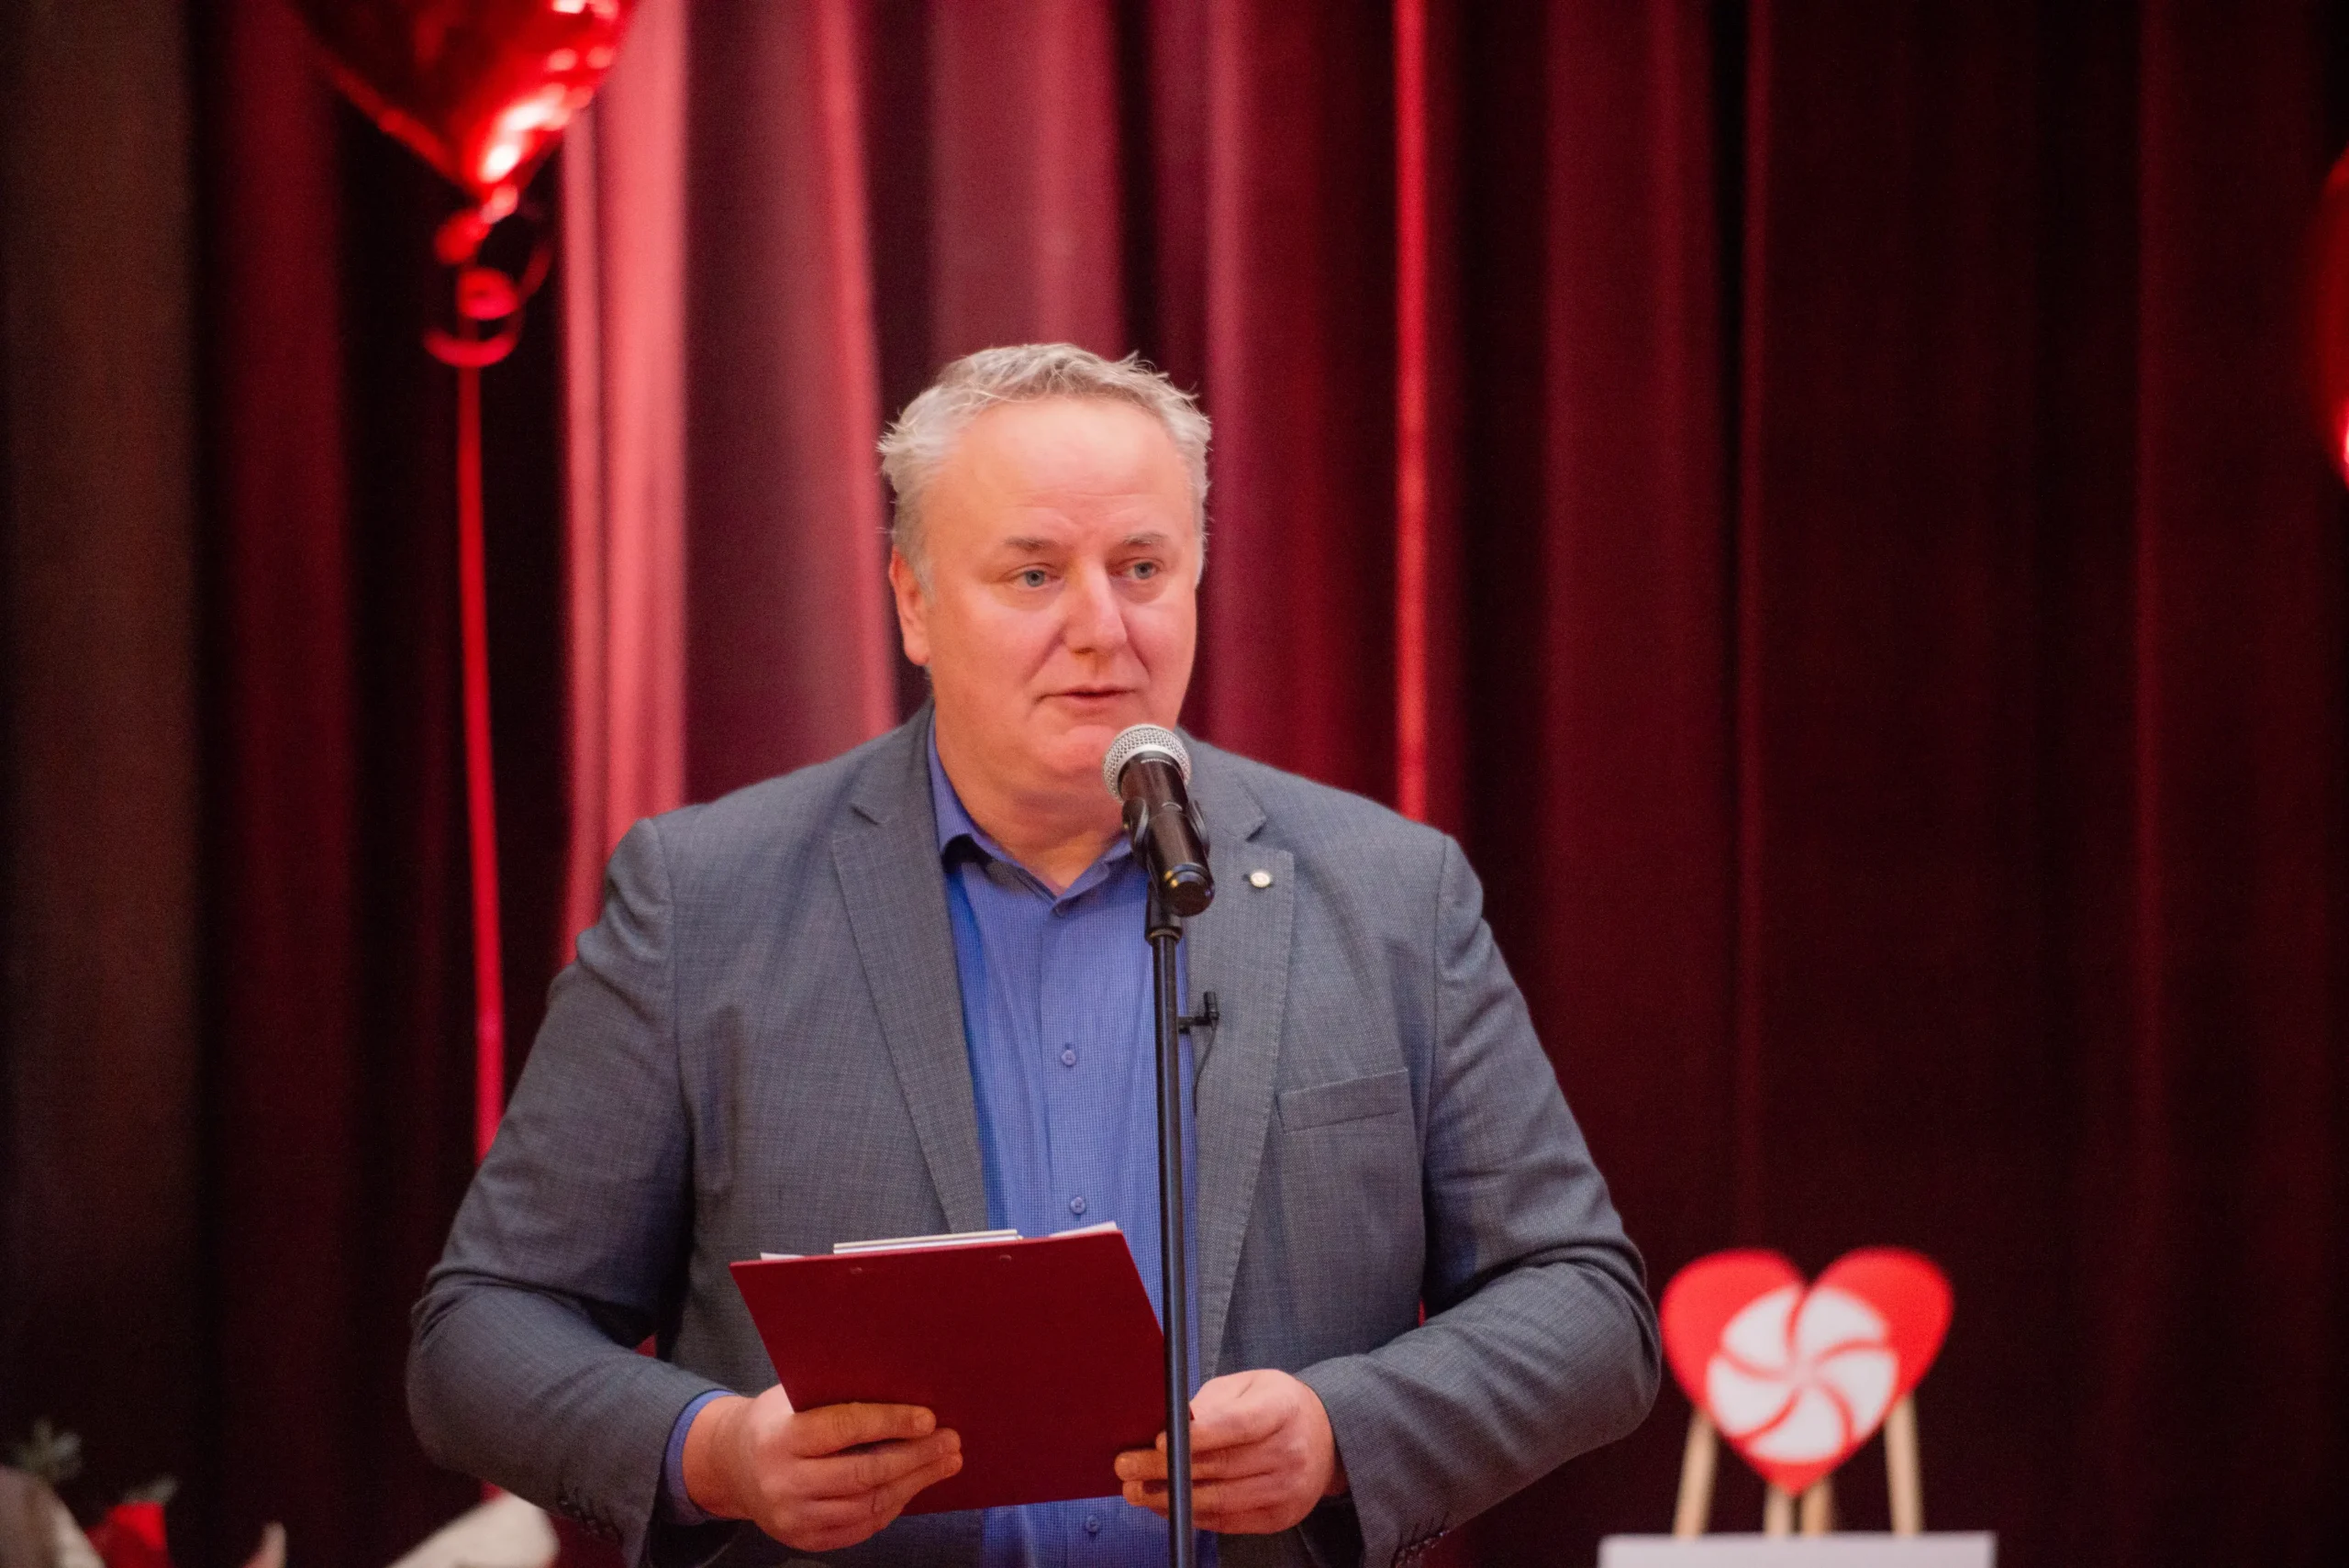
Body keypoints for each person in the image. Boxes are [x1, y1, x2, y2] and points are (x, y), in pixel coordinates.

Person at [408, 345, 1658, 1568]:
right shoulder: (706, 899)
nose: (1101, 628)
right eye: (1033, 574)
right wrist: (716, 1452)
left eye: (1142, 568)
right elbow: (479, 1335)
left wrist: (1344, 1432)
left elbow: (1587, 1304)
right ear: (914, 602)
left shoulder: (1389, 893)